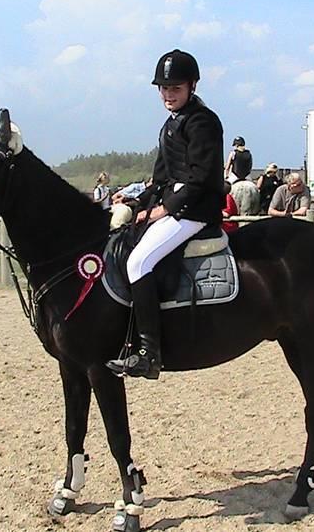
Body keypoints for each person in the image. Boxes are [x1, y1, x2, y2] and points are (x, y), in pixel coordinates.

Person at [106, 49, 224, 380]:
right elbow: (161, 177)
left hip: (196, 210)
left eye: (175, 88)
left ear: (192, 86)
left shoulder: (203, 122)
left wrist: (163, 210)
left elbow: (199, 179)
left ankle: (148, 353)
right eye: (164, 89)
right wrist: (138, 204)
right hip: (177, 206)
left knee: (138, 262)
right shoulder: (172, 123)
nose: (168, 95)